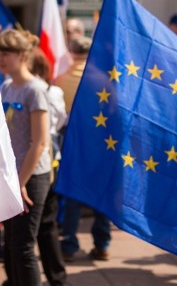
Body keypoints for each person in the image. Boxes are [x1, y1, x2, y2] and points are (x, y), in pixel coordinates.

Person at [0, 29, 51, 286]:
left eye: (7, 53)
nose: (0, 59)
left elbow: (39, 143)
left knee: (24, 245)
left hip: (31, 176)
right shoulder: (6, 86)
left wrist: (21, 181)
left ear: (23, 55)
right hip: (10, 176)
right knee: (11, 244)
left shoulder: (35, 90)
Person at [55, 36, 112, 262]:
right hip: (101, 140)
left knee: (72, 191)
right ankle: (102, 244)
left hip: (73, 139)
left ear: (72, 52)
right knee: (101, 191)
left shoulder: (61, 79)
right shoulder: (105, 80)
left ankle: (69, 244)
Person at [30, 48, 68, 286]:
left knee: (40, 225)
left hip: (42, 163)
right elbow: (61, 119)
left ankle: (54, 276)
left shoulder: (41, 91)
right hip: (46, 160)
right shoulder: (52, 91)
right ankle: (57, 277)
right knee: (45, 224)